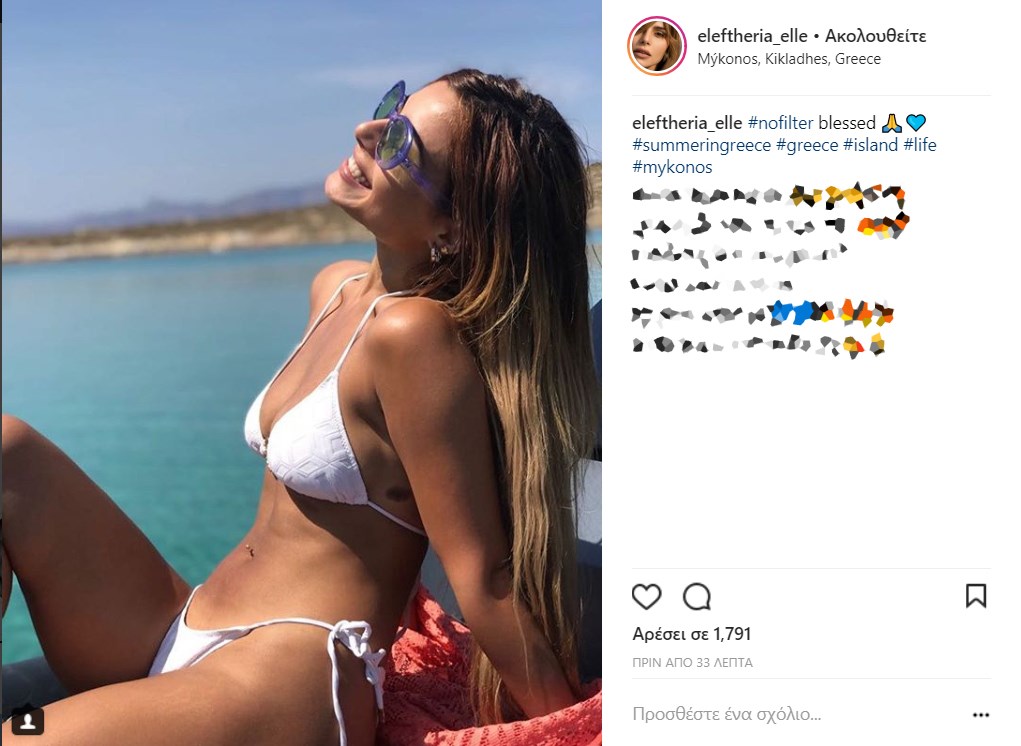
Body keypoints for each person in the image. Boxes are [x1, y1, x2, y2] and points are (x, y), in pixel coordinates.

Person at [1, 69, 599, 745]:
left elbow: (482, 575)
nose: (366, 132)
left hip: (290, 673)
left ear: (454, 228)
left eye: (400, 143)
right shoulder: (335, 288)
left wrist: (569, 727)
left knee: (20, 736)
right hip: (184, 625)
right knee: (6, 449)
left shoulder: (414, 337)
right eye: (389, 110)